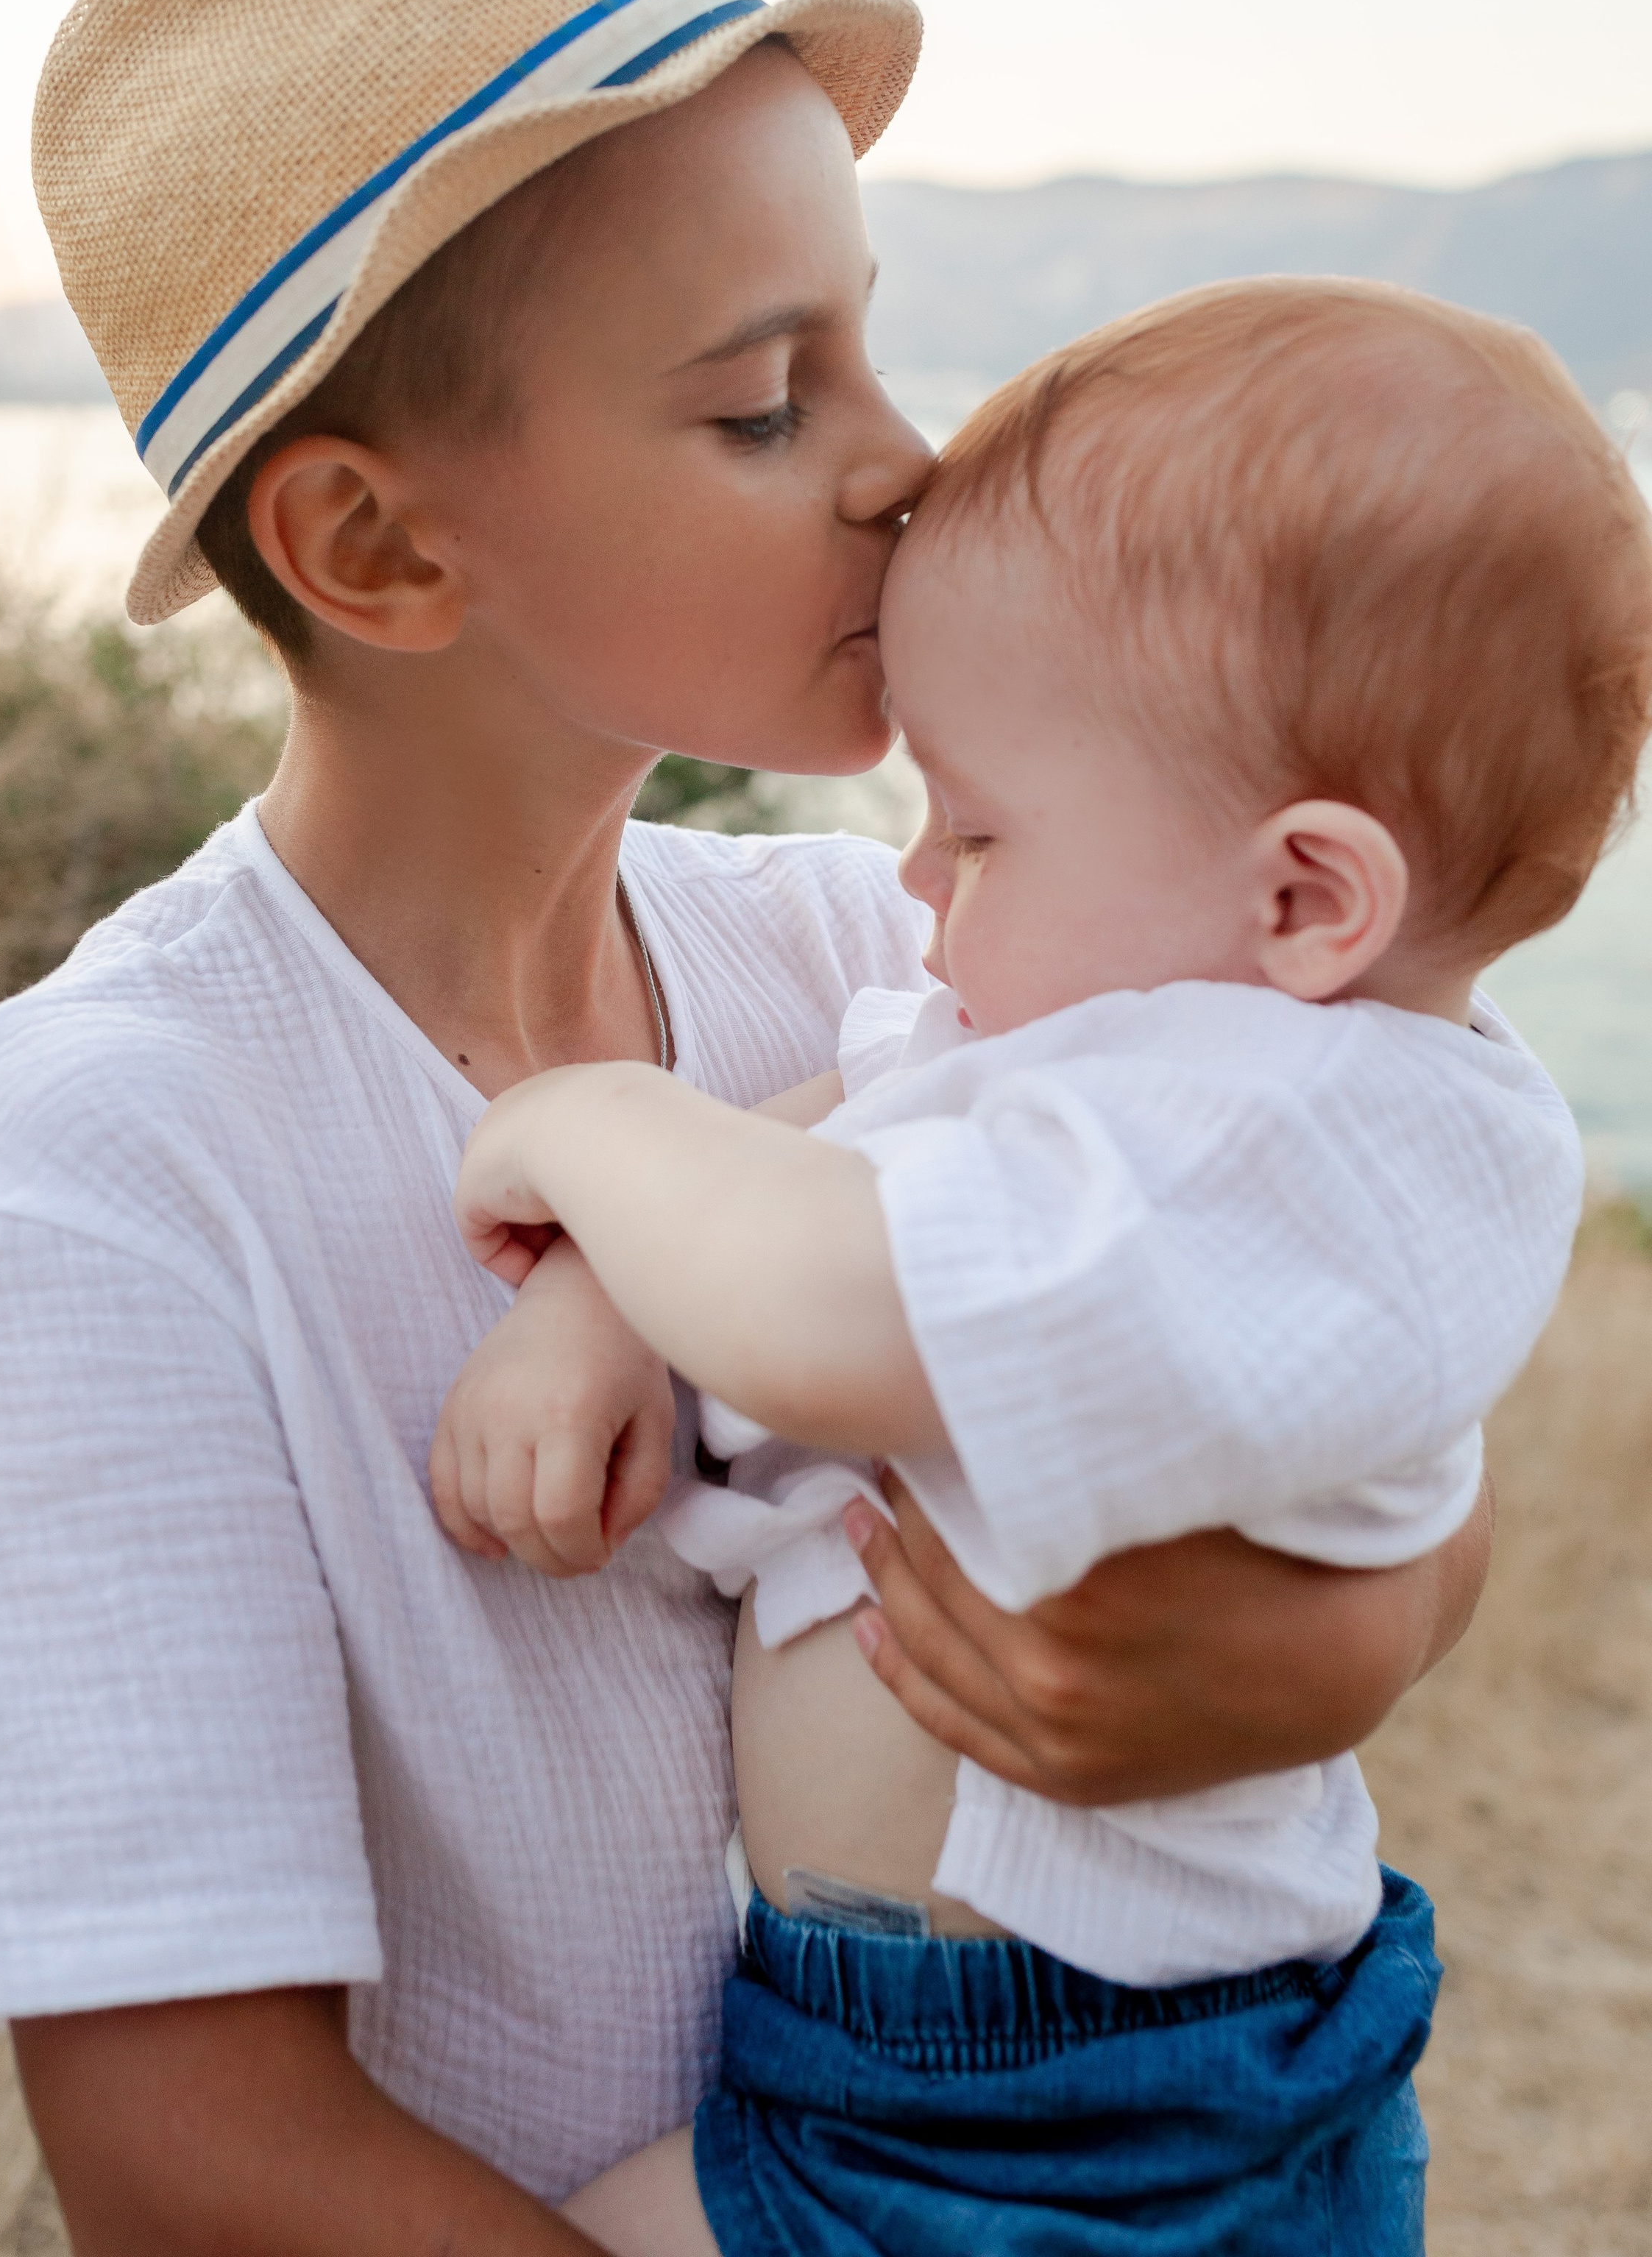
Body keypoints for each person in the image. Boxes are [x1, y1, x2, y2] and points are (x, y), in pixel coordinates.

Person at [0, 0, 1492, 2257]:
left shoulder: (881, 959)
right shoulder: (80, 1192)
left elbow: (1361, 1385)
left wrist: (1313, 1647)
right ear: (380, 550)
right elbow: (198, 2171)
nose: (907, 462)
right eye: (763, 406)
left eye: (873, 348)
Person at [433, 279, 1652, 2254]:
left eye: (981, 829)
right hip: (914, 2061)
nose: (920, 881)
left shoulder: (1311, 1125)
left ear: (1305, 894)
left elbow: (837, 1303)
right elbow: (861, 1118)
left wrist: (586, 1129)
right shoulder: (1134, 1035)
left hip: (1086, 2100)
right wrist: (593, 1304)